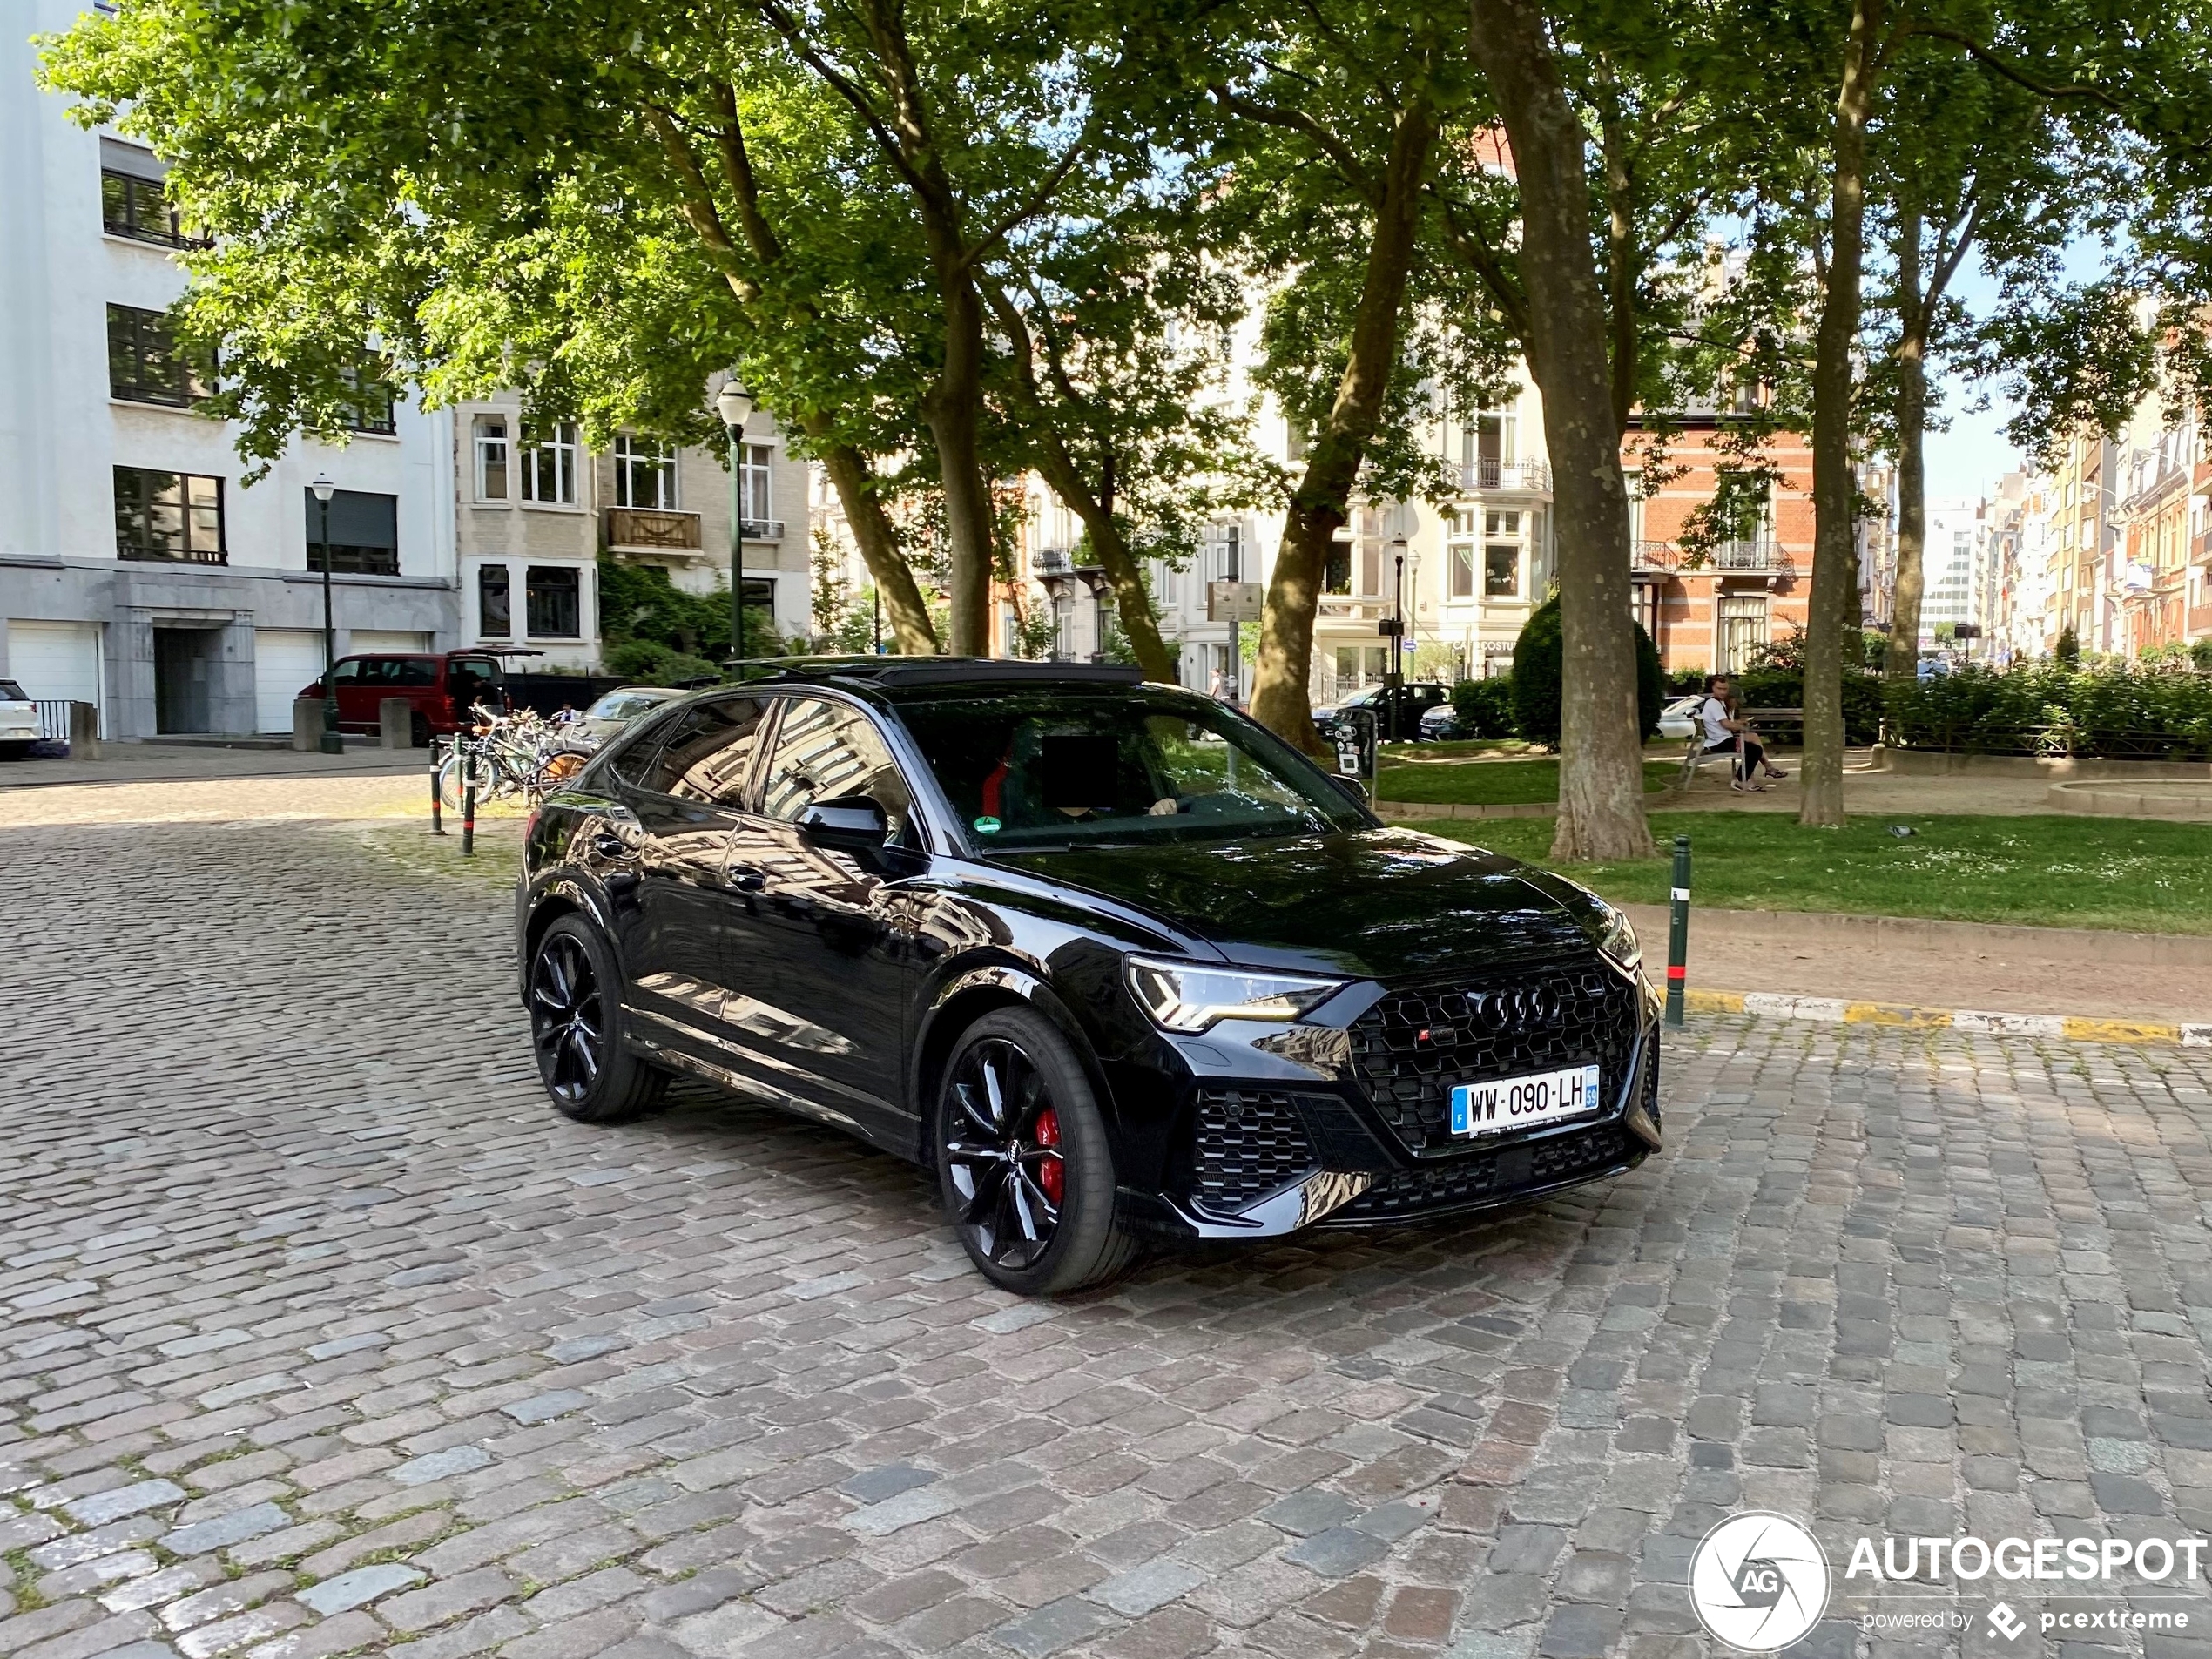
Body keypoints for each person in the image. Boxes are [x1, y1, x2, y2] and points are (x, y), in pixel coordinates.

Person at [1697, 673, 1773, 792]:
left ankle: (1747, 779)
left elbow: (1726, 722)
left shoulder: (1718, 702)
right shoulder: (1713, 703)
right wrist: (1741, 727)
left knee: (1753, 746)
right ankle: (1740, 780)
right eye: (1719, 689)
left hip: (1721, 740)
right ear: (1712, 688)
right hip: (1720, 743)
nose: (1722, 692)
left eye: (1725, 689)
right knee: (1755, 750)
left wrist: (1737, 725)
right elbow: (1726, 724)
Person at [1723, 679, 1789, 782]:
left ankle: (1769, 768)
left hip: (1727, 736)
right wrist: (1739, 726)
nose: (1738, 704)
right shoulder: (1722, 708)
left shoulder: (1729, 708)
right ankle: (1769, 768)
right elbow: (1725, 724)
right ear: (1730, 698)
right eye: (1737, 701)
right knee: (1754, 739)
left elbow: (1728, 722)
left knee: (1754, 738)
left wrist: (1739, 722)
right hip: (1723, 740)